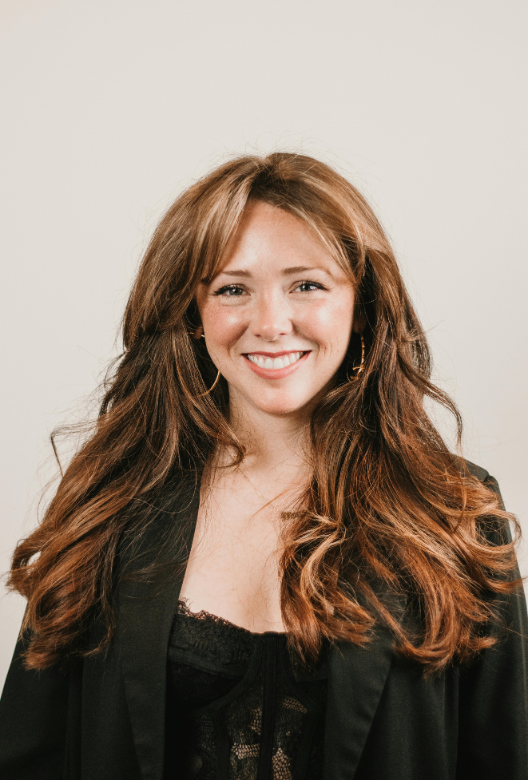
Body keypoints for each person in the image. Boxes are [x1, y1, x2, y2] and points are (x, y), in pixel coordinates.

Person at [0, 153, 526, 780]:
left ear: (361, 305)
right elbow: (28, 755)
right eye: (233, 289)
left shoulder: (455, 509)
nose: (272, 324)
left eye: (307, 285)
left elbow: (503, 757)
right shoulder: (113, 497)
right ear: (193, 314)